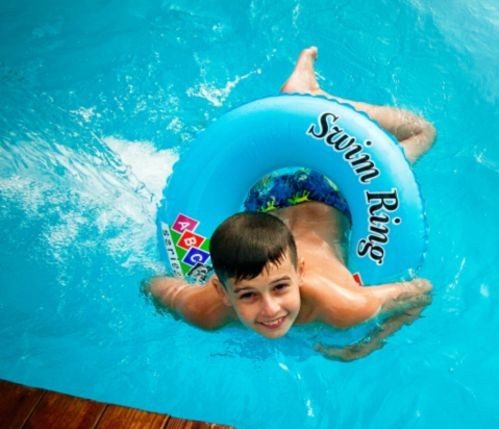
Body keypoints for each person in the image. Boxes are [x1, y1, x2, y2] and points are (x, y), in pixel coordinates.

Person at [145, 47, 435, 361]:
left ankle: (317, 100)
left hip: (330, 195)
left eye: (281, 287)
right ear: (221, 291)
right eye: (247, 295)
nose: (270, 309)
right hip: (264, 202)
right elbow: (155, 286)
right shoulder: (204, 310)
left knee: (423, 132)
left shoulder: (345, 305)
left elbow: (421, 292)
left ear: (300, 273)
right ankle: (304, 99)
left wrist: (366, 345)